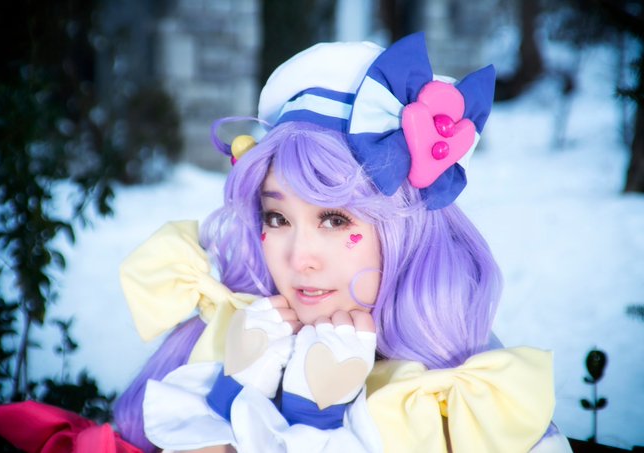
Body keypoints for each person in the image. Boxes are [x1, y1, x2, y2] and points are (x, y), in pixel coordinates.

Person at [112, 32, 572, 453]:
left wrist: (314, 421)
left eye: (334, 219)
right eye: (277, 218)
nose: (299, 258)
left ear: (404, 230)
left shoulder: (465, 397)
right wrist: (233, 393)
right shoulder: (241, 336)